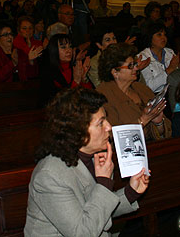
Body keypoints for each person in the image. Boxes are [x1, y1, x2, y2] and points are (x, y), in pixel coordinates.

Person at [25, 87, 148, 236]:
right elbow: (82, 232)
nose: (109, 127)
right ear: (78, 130)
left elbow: (98, 212)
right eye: (101, 123)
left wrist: (130, 192)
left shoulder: (93, 156)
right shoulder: (49, 176)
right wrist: (103, 183)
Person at [96, 43, 171, 141]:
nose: (136, 68)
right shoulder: (103, 95)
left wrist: (158, 123)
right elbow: (112, 136)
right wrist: (143, 120)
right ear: (115, 72)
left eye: (135, 64)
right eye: (130, 66)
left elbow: (166, 132)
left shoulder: (142, 89)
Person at [40, 34, 92, 105]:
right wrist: (76, 81)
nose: (68, 50)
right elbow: (61, 102)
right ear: (54, 50)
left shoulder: (74, 67)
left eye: (70, 46)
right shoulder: (48, 72)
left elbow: (90, 95)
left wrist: (84, 78)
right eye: (63, 47)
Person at [138, 22, 179, 94]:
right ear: (150, 37)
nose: (163, 38)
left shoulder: (170, 52)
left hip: (173, 91)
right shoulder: (143, 57)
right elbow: (149, 87)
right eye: (159, 35)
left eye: (164, 35)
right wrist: (170, 69)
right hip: (155, 96)